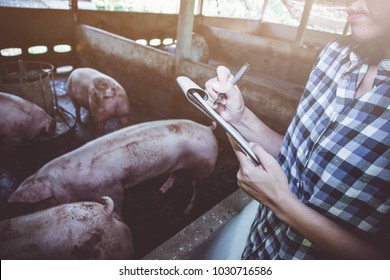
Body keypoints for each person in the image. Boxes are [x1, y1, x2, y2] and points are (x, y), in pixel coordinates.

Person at [204, 0, 389, 259]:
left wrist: (282, 204)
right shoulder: (335, 55)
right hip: (259, 245)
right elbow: (298, 156)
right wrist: (240, 117)